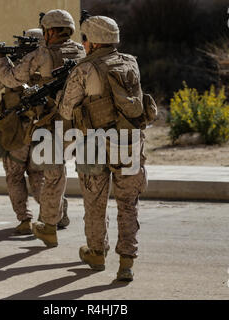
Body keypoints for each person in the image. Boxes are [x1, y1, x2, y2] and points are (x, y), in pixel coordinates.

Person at [57, 15, 148, 281]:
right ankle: (126, 262)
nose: (82, 44)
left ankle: (96, 253)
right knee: (128, 203)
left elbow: (65, 108)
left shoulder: (84, 69)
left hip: (93, 144)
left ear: (93, 41)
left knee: (95, 202)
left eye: (84, 39)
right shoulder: (131, 62)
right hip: (129, 141)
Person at [0, 9, 86, 247]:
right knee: (63, 173)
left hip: (52, 124)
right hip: (78, 124)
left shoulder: (42, 54)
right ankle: (65, 224)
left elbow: (11, 79)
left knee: (52, 175)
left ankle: (49, 224)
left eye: (46, 30)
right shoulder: (81, 50)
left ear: (52, 31)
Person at [0, 28, 45, 235]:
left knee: (15, 174)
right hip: (44, 127)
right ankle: (52, 217)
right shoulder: (53, 62)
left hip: (17, 129)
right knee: (41, 174)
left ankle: (25, 219)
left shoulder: (18, 67)